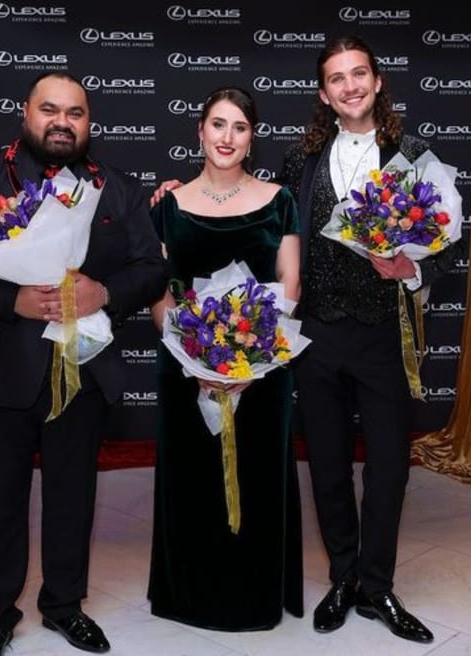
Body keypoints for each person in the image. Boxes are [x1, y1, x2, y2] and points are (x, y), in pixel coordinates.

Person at [0, 72, 167, 656]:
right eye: (50, 109)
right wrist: (12, 300)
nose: (62, 121)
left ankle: (63, 605)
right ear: (26, 115)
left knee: (72, 497)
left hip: (77, 374)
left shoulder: (117, 188)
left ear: (88, 123)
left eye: (75, 113)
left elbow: (151, 269)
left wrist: (102, 293)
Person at [277, 35, 462, 644]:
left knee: (388, 467)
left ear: (378, 82)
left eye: (360, 74)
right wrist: (177, 196)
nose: (350, 85)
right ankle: (344, 576)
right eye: (337, 78)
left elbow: (446, 241)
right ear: (324, 94)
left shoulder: (415, 155)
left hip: (385, 334)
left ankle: (378, 585)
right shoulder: (299, 161)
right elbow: (266, 227)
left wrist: (412, 268)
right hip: (318, 335)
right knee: (327, 465)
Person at [147, 86, 304, 631]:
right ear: (200, 131)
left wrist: (248, 360)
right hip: (182, 367)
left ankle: (255, 594)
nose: (227, 137)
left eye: (239, 127)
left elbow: (289, 285)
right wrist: (194, 359)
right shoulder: (167, 204)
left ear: (251, 136)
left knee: (259, 478)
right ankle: (188, 594)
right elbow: (160, 293)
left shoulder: (280, 199)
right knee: (192, 480)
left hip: (262, 368)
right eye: (218, 125)